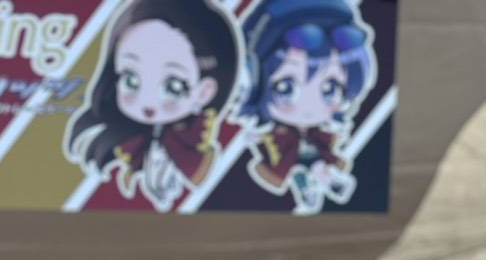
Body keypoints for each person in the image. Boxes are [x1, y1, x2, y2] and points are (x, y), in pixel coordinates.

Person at [64, 0, 241, 212]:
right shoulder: (118, 145)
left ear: (205, 91)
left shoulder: (198, 145)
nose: (147, 101)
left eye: (173, 86)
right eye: (131, 80)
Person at [239, 0, 377, 213]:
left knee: (320, 166)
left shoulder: (322, 132)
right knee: (299, 172)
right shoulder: (275, 130)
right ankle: (310, 189)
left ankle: (329, 181)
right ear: (254, 81)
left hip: (314, 153)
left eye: (331, 89)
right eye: (285, 87)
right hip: (285, 157)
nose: (309, 108)